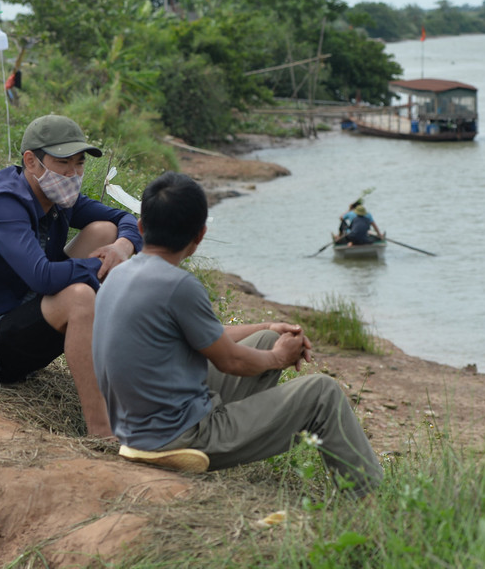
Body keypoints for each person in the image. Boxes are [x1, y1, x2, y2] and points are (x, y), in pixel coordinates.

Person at [93, 172, 383, 495]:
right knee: (323, 393)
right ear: (200, 235)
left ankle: (244, 413)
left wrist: (267, 329)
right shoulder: (179, 286)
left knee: (265, 341)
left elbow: (210, 335)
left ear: (141, 226)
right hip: (179, 438)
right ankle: (369, 497)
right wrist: (278, 358)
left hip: (133, 431)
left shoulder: (119, 274)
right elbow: (230, 361)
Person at [0, 114, 141, 439]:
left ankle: (131, 396)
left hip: (22, 311)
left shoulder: (58, 197)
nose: (73, 174)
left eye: (79, 164)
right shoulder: (3, 202)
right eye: (63, 163)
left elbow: (123, 218)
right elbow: (43, 279)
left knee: (105, 231)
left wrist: (123, 246)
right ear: (31, 161)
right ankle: (102, 432)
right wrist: (108, 268)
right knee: (79, 297)